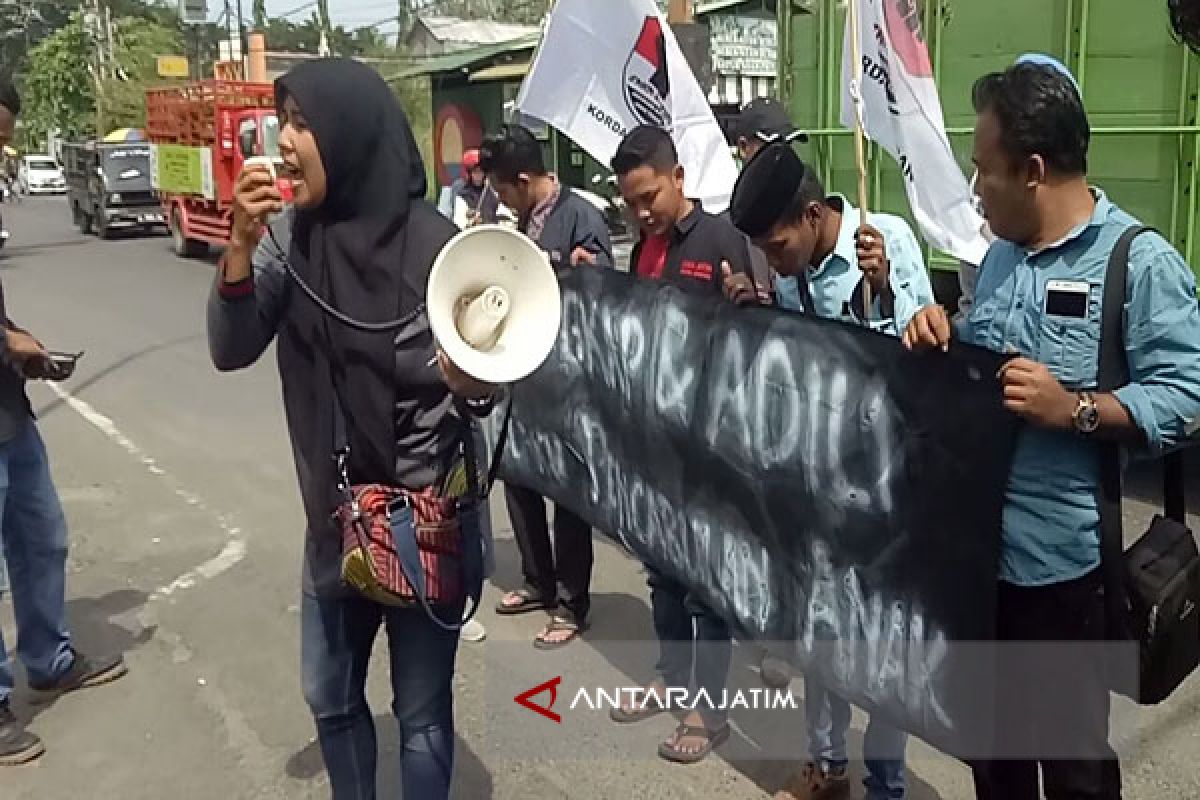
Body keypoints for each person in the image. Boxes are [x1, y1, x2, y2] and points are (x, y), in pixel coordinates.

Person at [904, 61, 1200, 800]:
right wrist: (945, 330)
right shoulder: (999, 259)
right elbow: (984, 347)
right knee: (994, 761)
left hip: (1064, 579)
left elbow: (1188, 395)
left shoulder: (1137, 263)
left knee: (1072, 771)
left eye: (984, 171)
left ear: (1033, 170)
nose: (975, 191)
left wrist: (1075, 408)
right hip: (978, 569)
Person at [207, 59, 496, 799]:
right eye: (285, 119)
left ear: (351, 136)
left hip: (423, 528)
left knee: (423, 714)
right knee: (329, 698)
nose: (285, 138)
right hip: (332, 528)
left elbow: (495, 378)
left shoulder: (441, 251)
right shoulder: (288, 242)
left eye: (303, 122)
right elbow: (230, 347)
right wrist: (238, 243)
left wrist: (473, 383)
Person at [728, 141, 934, 800]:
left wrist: (881, 291)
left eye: (778, 245)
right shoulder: (788, 272)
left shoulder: (886, 239)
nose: (772, 259)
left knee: (884, 644)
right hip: (818, 487)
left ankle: (886, 780)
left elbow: (923, 353)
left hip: (887, 491)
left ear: (814, 214)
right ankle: (826, 767)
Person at [606, 124, 749, 765]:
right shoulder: (641, 249)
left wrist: (749, 301)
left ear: (679, 179)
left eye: (649, 197)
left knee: (705, 582)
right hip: (654, 441)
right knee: (662, 574)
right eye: (631, 203)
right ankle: (671, 677)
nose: (641, 212)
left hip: (711, 444)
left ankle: (709, 710)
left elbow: (762, 335)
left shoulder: (723, 239)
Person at [0, 79, 128, 768]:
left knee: (42, 535)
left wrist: (25, 345)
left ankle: (48, 657)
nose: (2, 144)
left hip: (8, 415)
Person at [479, 124, 611, 649]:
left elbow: (603, 293)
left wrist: (571, 268)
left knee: (567, 492)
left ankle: (572, 602)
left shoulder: (580, 218)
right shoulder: (514, 222)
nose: (498, 197)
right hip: (523, 375)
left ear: (525, 179)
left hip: (568, 379)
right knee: (521, 478)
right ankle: (538, 579)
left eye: (502, 187)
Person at [454, 148, 499, 228]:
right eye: (475, 171)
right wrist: (470, 222)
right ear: (470, 173)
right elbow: (459, 222)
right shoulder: (463, 196)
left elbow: (503, 214)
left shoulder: (493, 193)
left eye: (481, 171)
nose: (478, 175)